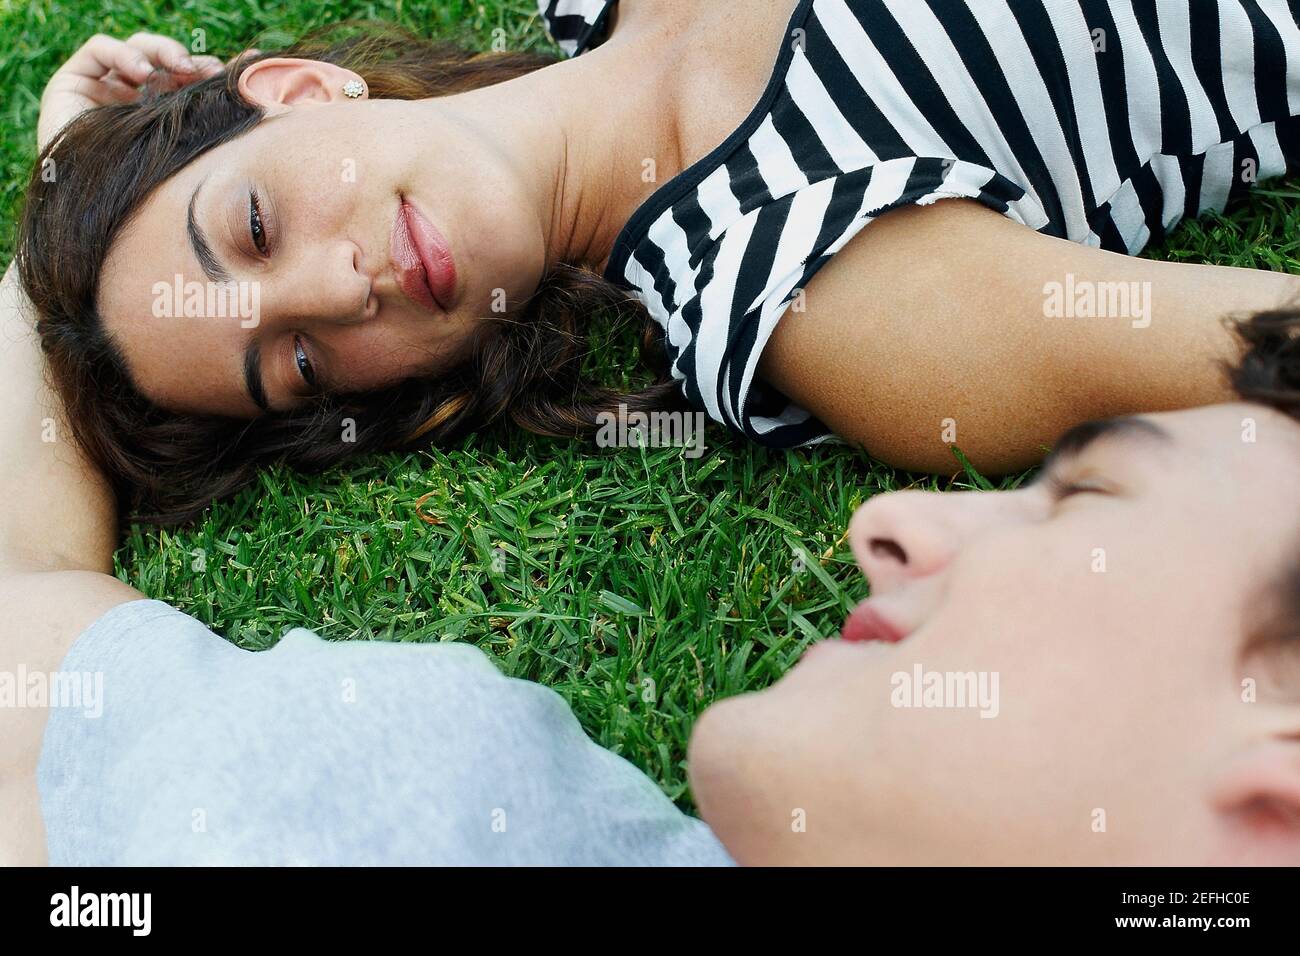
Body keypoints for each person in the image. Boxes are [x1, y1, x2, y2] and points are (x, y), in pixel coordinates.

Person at [14, 2, 1300, 524]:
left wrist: (74, 165)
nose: (335, 289)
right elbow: (1266, 342)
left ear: (296, 90)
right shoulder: (783, 279)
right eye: (297, 362)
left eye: (250, 229)